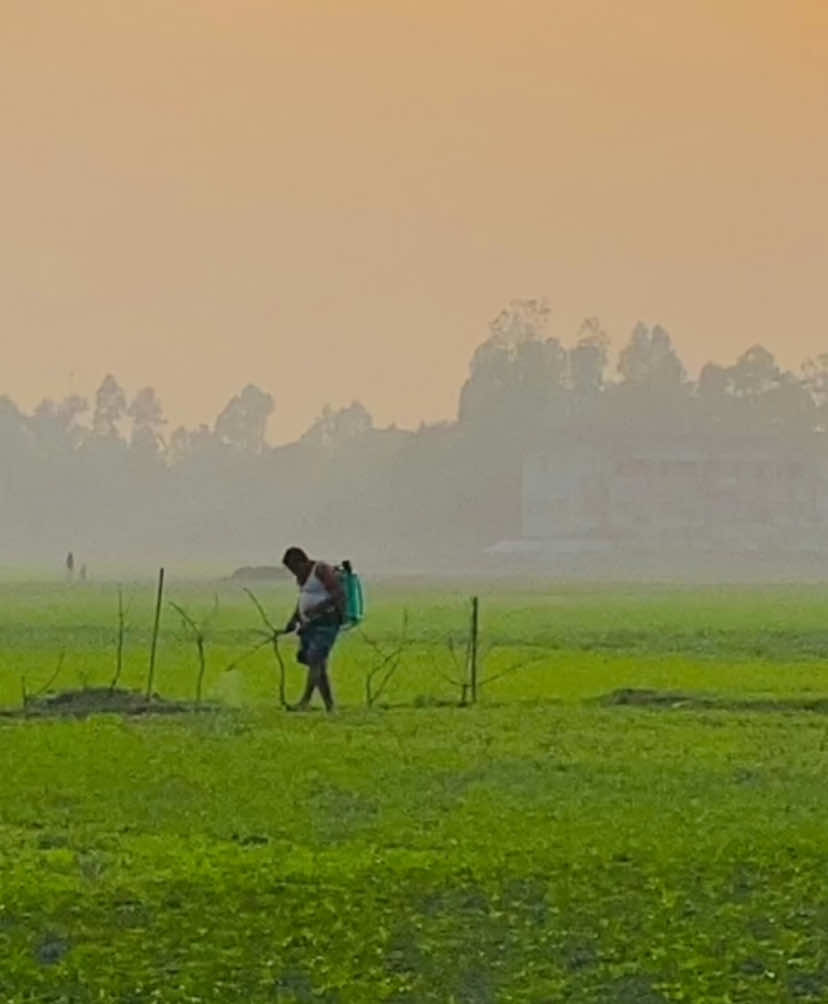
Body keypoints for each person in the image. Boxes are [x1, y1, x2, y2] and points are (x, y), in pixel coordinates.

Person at [282, 547, 345, 712]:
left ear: (302, 561)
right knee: (317, 664)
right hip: (309, 625)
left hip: (327, 623)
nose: (294, 573)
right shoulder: (302, 577)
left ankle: (305, 701)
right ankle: (330, 707)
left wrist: (317, 609)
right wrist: (294, 619)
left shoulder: (321, 570)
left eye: (294, 568)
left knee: (315, 660)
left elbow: (338, 594)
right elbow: (303, 598)